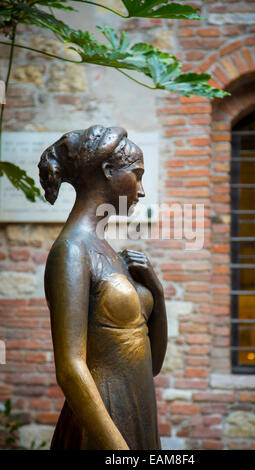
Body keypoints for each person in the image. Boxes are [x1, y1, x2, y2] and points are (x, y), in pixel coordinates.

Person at [38, 125, 168, 450]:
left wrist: (158, 292)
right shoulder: (72, 251)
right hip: (102, 423)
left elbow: (152, 365)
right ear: (109, 171)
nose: (141, 190)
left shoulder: (108, 250)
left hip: (136, 409)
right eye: (136, 175)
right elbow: (69, 368)